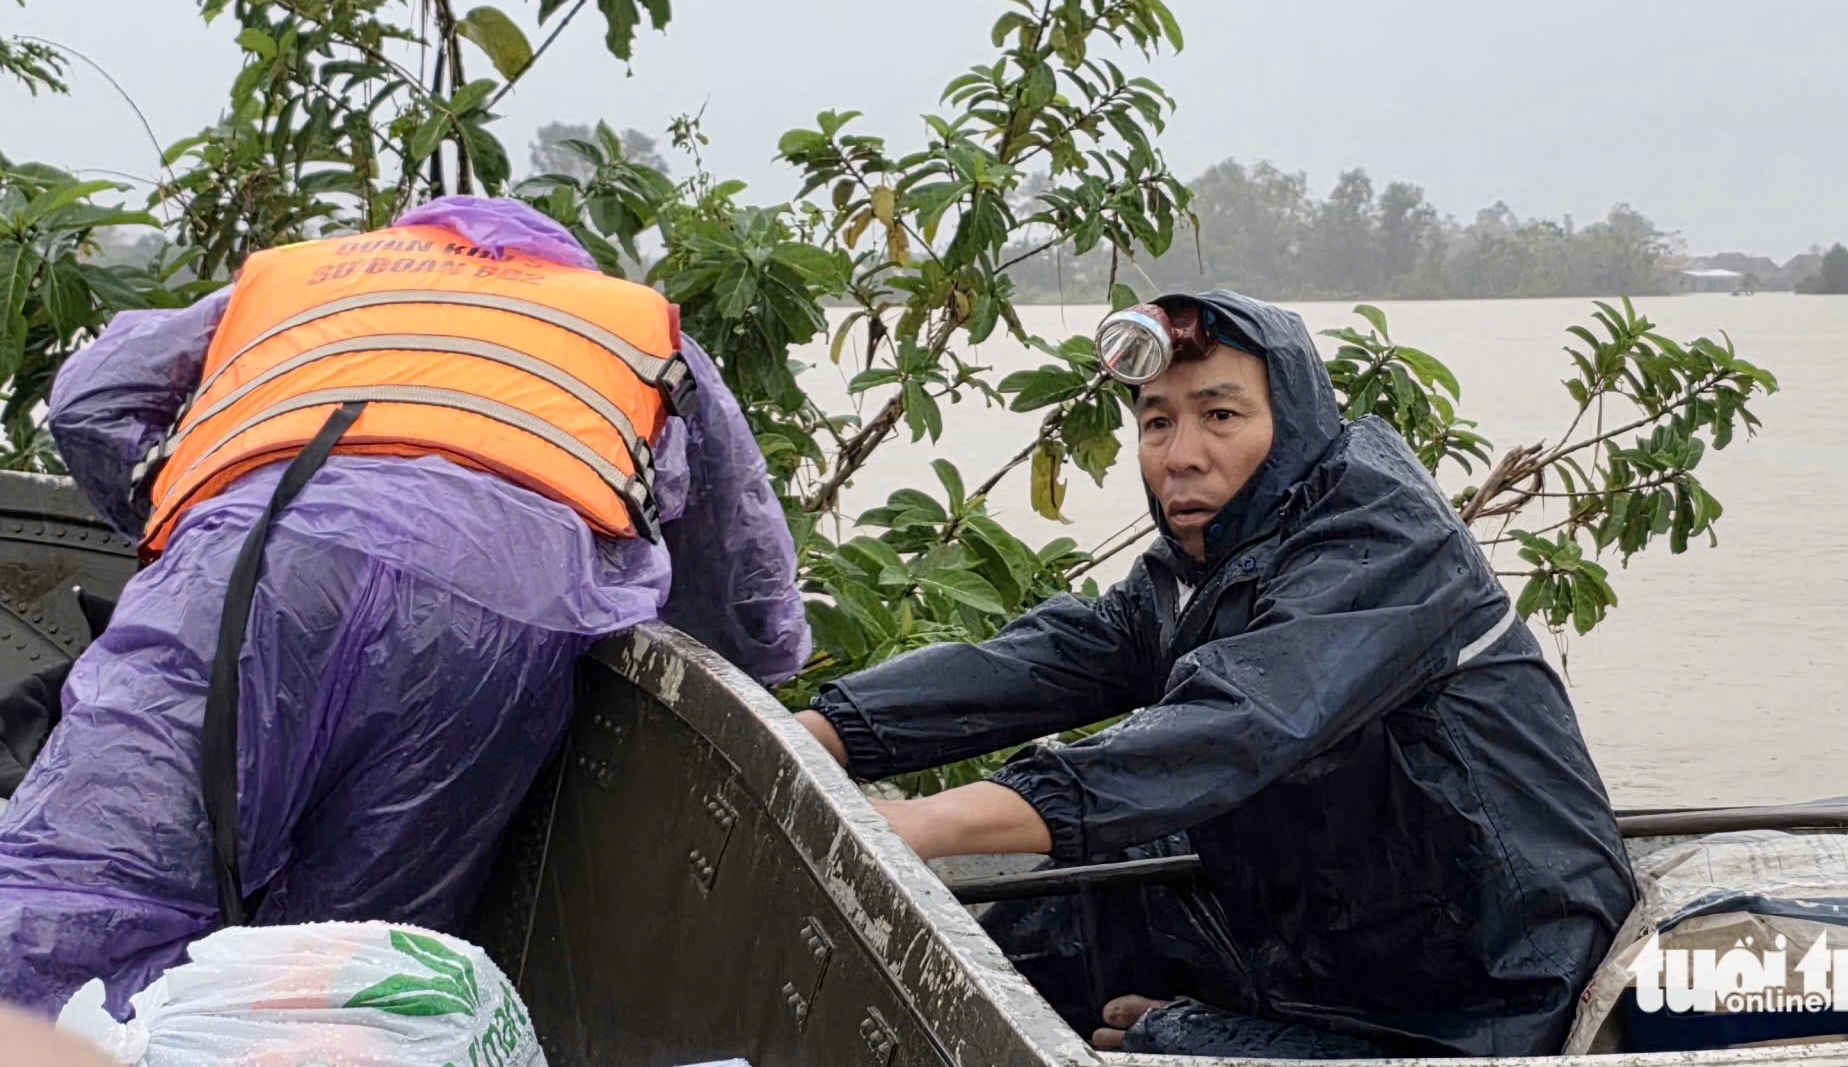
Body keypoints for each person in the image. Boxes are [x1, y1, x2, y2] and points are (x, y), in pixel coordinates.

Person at [0, 197, 810, 1016]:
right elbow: (749, 599)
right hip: (498, 616)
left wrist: (180, 522)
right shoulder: (633, 330)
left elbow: (87, 402)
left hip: (250, 560)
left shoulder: (312, 281)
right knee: (347, 968)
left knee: (77, 894)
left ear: (411, 239)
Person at [798, 290, 1636, 1059]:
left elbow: (1233, 721)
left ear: (1295, 427)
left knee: (1150, 1029)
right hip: (1340, 942)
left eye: (1221, 414)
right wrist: (828, 730)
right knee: (1050, 917)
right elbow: (1054, 653)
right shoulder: (1214, 556)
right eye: (1156, 422)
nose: (1182, 456)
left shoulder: (1381, 540)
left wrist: (931, 821)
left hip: (1481, 993)